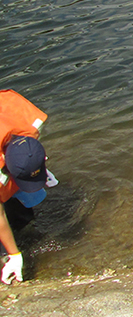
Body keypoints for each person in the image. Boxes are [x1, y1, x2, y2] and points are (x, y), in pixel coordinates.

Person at [0, 90, 55, 284]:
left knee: (32, 196)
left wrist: (37, 166)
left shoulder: (21, 122)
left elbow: (29, 147)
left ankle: (20, 221)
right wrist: (14, 255)